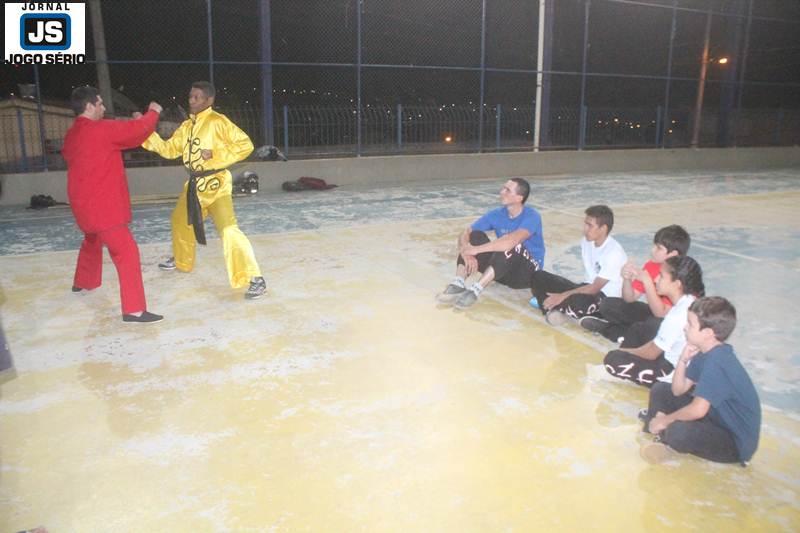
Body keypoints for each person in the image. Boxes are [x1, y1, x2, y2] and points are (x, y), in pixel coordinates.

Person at [141, 81, 266, 300]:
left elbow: (245, 145)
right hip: (194, 187)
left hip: (217, 187)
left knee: (228, 230)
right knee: (180, 220)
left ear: (209, 100)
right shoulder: (187, 127)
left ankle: (255, 278)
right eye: (190, 96)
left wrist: (216, 155)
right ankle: (181, 259)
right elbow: (169, 150)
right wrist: (144, 134)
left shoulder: (219, 122)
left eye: (197, 97)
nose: (192, 101)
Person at [63, 86, 163, 323]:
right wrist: (153, 112)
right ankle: (134, 310)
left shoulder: (72, 135)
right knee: (127, 252)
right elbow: (137, 131)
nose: (104, 108)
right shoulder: (100, 131)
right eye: (100, 103)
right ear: (89, 106)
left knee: (92, 239)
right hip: (103, 209)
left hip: (83, 207)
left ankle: (83, 282)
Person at [640, 297, 761, 465]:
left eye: (690, 324)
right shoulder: (704, 352)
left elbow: (697, 411)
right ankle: (657, 430)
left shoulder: (719, 361)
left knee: (678, 431)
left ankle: (663, 435)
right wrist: (683, 360)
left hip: (733, 442)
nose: (685, 327)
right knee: (661, 389)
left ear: (708, 333)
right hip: (714, 419)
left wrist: (665, 420)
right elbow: (677, 390)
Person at [437, 178, 545, 309]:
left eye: (507, 190)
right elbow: (465, 232)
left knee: (510, 244)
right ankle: (458, 282)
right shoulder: (497, 214)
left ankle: (476, 290)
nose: (501, 192)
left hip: (525, 275)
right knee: (474, 236)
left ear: (519, 198)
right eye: (503, 188)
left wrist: (475, 250)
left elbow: (511, 241)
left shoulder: (532, 216)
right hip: (501, 270)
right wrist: (466, 251)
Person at [603, 255, 705, 387]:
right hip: (673, 357)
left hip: (672, 371)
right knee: (638, 329)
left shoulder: (678, 314)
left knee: (613, 359)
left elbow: (651, 353)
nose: (656, 279)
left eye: (661, 276)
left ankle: (633, 372)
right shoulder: (687, 300)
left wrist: (624, 352)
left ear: (677, 284)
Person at [581, 225, 690, 342]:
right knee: (608, 305)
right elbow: (629, 298)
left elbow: (661, 314)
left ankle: (611, 330)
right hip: (652, 312)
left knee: (654, 326)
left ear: (673, 254)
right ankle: (629, 332)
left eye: (658, 248)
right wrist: (627, 279)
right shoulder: (651, 265)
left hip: (668, 320)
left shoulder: (681, 274)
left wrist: (647, 282)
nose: (653, 250)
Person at [530, 205, 626, 326]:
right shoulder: (586, 241)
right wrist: (564, 295)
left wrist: (562, 296)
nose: (585, 229)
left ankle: (552, 306)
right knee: (538, 277)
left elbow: (595, 288)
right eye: (585, 224)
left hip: (605, 299)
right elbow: (587, 286)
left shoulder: (613, 253)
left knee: (578, 301)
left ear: (603, 229)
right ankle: (559, 309)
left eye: (590, 225)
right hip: (585, 288)